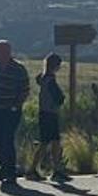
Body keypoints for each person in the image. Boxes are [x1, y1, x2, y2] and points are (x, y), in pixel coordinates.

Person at [0, 39, 30, 189]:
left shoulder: (18, 68)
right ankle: (2, 169)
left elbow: (25, 89)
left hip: (11, 111)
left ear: (7, 52)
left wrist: (16, 105)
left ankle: (10, 172)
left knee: (7, 140)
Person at [31, 52, 67, 181]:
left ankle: (55, 169)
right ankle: (34, 170)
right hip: (49, 113)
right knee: (46, 143)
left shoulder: (44, 78)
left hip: (45, 113)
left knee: (51, 142)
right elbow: (59, 98)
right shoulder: (50, 80)